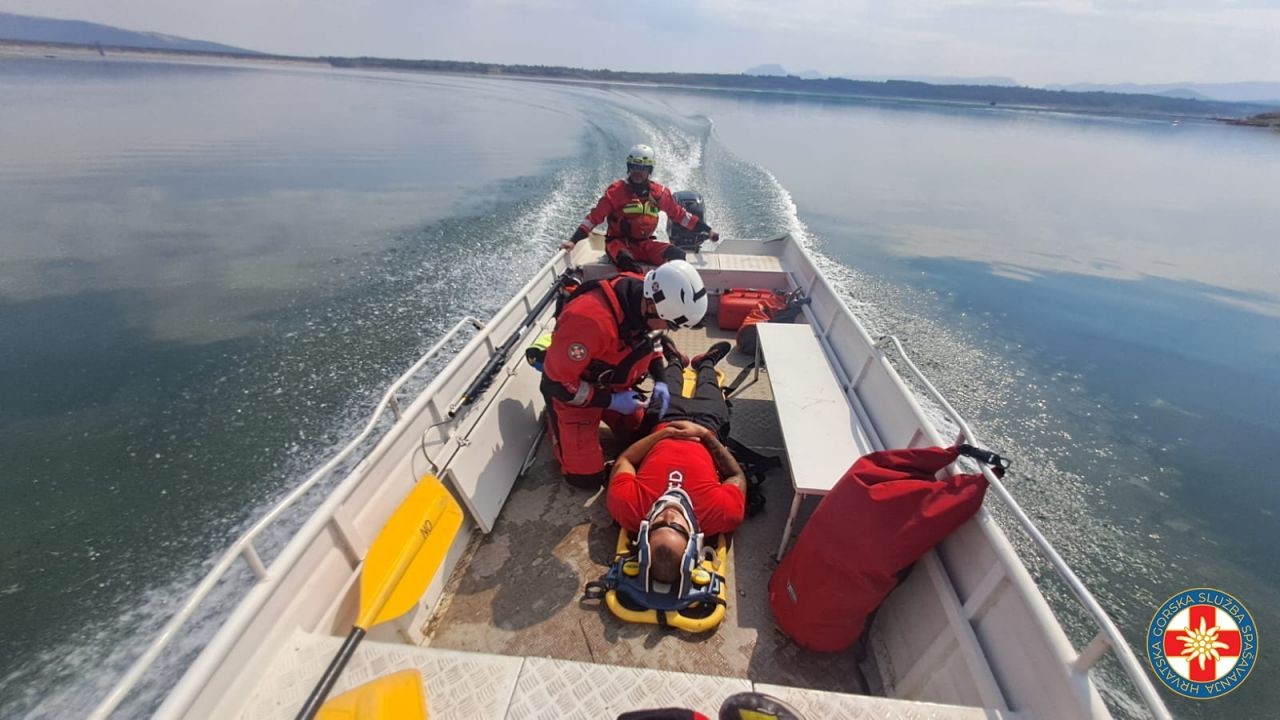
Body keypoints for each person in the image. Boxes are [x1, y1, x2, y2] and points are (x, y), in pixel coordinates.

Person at [541, 260, 708, 489]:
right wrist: (611, 402)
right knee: (585, 480)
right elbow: (557, 383)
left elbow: (652, 340)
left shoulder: (645, 294)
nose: (670, 330)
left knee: (641, 436)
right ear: (651, 308)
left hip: (615, 385)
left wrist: (660, 380)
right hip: (573, 394)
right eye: (671, 324)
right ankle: (555, 426)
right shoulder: (588, 321)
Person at [606, 341, 746, 584]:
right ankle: (706, 363)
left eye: (658, 525)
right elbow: (737, 476)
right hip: (708, 426)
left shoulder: (627, 506)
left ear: (645, 533)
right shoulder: (721, 515)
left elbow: (626, 458)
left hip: (665, 421)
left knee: (668, 383)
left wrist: (666, 433)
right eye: (678, 528)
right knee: (711, 388)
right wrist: (704, 436)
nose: (669, 516)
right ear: (694, 539)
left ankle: (675, 361)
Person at [561, 144, 719, 272]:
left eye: (643, 168)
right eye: (634, 167)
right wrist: (573, 241)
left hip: (645, 245)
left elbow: (681, 216)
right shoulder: (615, 192)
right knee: (627, 262)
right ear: (629, 167)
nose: (638, 172)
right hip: (618, 244)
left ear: (650, 170)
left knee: (677, 256)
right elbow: (593, 218)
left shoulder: (659, 193)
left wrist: (708, 230)